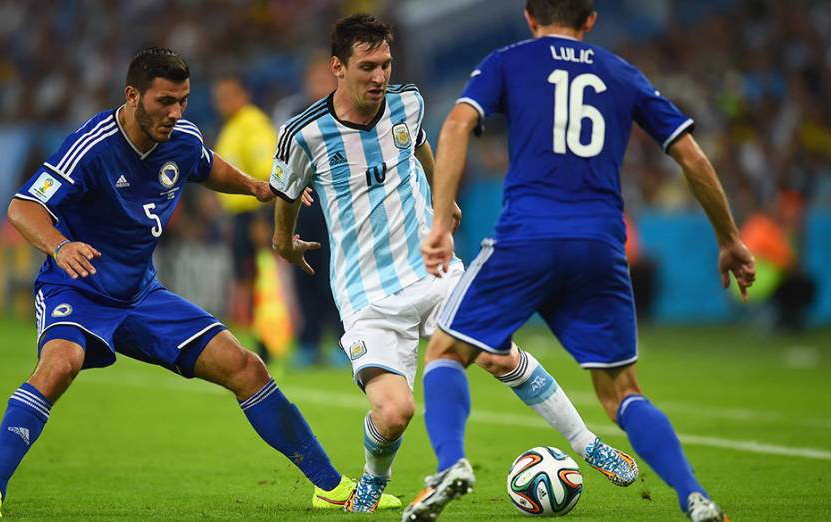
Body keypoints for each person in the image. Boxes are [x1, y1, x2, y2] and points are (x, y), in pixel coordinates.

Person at [0, 48, 367, 519]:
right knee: (59, 366)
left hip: (141, 293)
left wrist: (256, 187)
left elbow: (207, 164)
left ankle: (332, 487)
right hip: (78, 288)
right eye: (165, 102)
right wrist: (58, 246)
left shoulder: (182, 137)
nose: (175, 113)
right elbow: (23, 207)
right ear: (132, 96)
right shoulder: (92, 145)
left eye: (184, 101)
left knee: (246, 367)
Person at [270, 13, 638, 514]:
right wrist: (283, 240)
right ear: (338, 66)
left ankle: (587, 444)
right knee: (395, 412)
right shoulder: (303, 133)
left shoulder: (408, 101)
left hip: (434, 271)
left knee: (498, 355)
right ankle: (374, 481)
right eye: (367, 67)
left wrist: (445, 203)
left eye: (385, 64)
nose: (379, 77)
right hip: (366, 295)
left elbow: (420, 143)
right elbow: (285, 192)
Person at [405, 1, 756, 521]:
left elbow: (457, 126)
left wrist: (438, 222)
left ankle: (451, 463)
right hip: (601, 246)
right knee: (622, 393)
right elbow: (692, 157)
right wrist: (728, 238)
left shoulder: (509, 60)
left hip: (526, 239)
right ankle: (694, 496)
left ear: (529, 16)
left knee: (445, 352)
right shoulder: (621, 73)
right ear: (591, 19)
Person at [271, 53, 342, 367]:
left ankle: (344, 343)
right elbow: (280, 166)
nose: (320, 85)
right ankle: (309, 343)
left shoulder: (345, 112)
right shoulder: (291, 114)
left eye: (325, 79)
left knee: (335, 278)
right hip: (301, 211)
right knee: (304, 278)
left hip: (336, 212)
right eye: (315, 79)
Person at [212, 75, 278, 334]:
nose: (223, 103)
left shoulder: (253, 125)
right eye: (219, 98)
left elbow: (267, 174)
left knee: (261, 277)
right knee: (246, 277)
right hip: (240, 215)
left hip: (255, 214)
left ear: (244, 95)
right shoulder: (233, 127)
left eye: (229, 96)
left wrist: (262, 219)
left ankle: (268, 336)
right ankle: (257, 332)